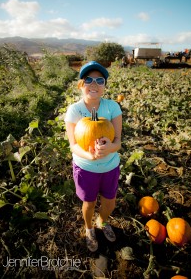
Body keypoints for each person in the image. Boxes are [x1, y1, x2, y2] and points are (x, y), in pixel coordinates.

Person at [64, 61, 122, 252]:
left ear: (105, 85)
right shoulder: (74, 111)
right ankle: (89, 228)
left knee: (109, 201)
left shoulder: (113, 107)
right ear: (81, 84)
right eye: (88, 79)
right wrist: (90, 156)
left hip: (110, 166)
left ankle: (102, 222)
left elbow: (118, 142)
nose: (94, 84)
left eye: (100, 80)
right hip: (86, 168)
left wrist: (109, 148)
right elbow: (73, 145)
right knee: (88, 203)